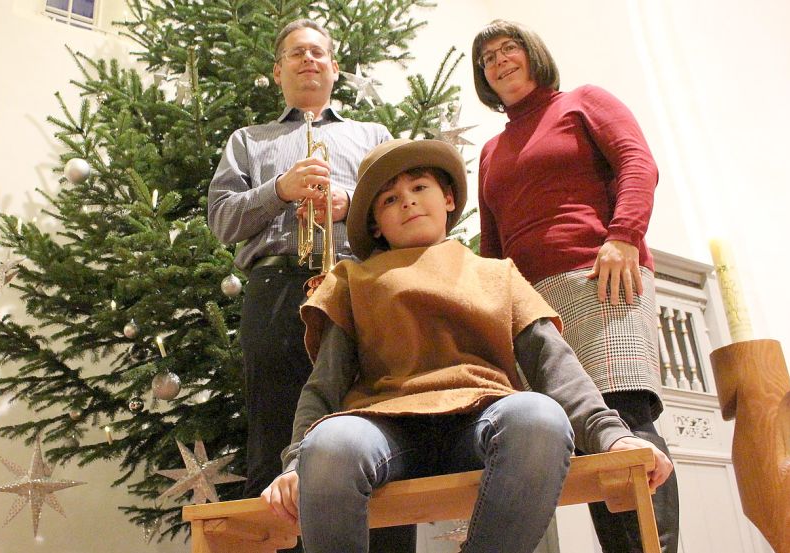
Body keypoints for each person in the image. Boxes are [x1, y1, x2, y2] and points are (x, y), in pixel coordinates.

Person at [261, 138, 674, 553]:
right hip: (383, 426)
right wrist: (297, 461)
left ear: (448, 198)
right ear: (375, 225)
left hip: (482, 418)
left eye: (419, 188)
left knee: (540, 416)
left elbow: (556, 365)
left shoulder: (497, 274)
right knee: (330, 445)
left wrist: (612, 435)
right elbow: (324, 383)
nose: (407, 202)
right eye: (389, 199)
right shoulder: (353, 280)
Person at [471, 19, 680, 553]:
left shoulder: (584, 102)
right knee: (585, 434)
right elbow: (492, 242)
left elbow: (638, 162)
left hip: (602, 277)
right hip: (535, 304)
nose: (499, 61)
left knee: (624, 415)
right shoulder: (491, 151)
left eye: (509, 48)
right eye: (488, 57)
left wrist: (624, 236)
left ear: (533, 53)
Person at [207, 18, 413, 552]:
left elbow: (405, 217)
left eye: (318, 53)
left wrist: (350, 204)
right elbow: (222, 222)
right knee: (274, 433)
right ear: (278, 71)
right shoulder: (248, 142)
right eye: (296, 54)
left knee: (378, 418)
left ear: (335, 67)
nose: (308, 61)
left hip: (360, 285)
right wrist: (279, 189)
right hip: (276, 289)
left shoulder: (373, 137)